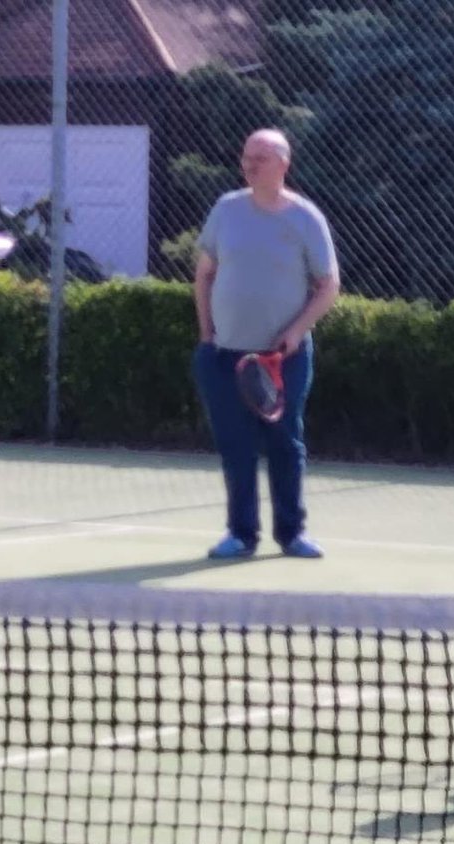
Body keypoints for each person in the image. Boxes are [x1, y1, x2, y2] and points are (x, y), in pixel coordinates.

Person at [192, 129, 340, 560]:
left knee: (284, 443)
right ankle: (241, 534)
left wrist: (296, 332)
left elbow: (329, 285)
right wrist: (206, 336)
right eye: (245, 157)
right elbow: (204, 274)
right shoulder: (226, 210)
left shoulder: (305, 218)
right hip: (223, 357)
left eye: (260, 157)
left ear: (283, 163)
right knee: (235, 447)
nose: (249, 164)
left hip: (284, 359)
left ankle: (292, 534)